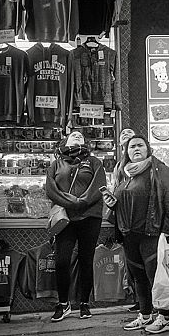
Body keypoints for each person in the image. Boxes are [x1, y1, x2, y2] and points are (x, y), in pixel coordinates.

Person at [102, 134, 169, 334]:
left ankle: (164, 317)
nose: (136, 149)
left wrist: (168, 229)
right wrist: (112, 204)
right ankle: (145, 315)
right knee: (138, 276)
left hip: (152, 233)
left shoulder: (159, 170)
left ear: (148, 149)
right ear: (126, 152)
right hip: (129, 234)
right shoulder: (123, 172)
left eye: (140, 145)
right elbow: (121, 200)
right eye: (131, 147)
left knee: (156, 275)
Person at [45, 130, 106, 321]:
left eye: (80, 136)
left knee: (86, 259)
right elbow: (50, 189)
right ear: (66, 141)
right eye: (73, 135)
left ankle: (84, 303)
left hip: (90, 217)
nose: (77, 136)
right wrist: (72, 202)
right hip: (65, 219)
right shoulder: (56, 164)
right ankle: (63, 304)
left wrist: (82, 202)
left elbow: (99, 185)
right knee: (62, 260)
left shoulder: (94, 162)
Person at [109, 127, 141, 313]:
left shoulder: (145, 164)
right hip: (124, 218)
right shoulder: (119, 166)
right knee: (132, 262)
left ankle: (147, 301)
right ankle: (139, 298)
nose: (127, 137)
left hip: (139, 219)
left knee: (143, 262)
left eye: (132, 136)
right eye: (124, 136)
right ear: (122, 145)